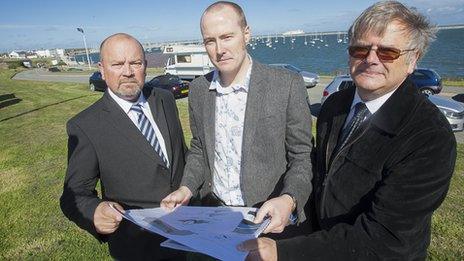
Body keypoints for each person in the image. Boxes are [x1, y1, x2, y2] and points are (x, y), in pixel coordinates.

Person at [240, 1, 456, 260]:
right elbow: (321, 174)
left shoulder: (429, 137)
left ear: (413, 60)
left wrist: (282, 252)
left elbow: (386, 239)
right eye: (360, 49)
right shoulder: (335, 106)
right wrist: (290, 200)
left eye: (387, 52)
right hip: (323, 243)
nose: (371, 59)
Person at [161, 1, 313, 236]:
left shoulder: (286, 84)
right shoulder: (199, 90)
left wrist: (289, 199)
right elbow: (200, 148)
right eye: (210, 41)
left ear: (246, 34)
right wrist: (186, 187)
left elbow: (302, 155)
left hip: (269, 218)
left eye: (227, 37)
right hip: (216, 215)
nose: (219, 49)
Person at [60, 33, 187, 260]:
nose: (128, 72)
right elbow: (73, 195)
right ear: (101, 68)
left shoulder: (165, 99)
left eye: (135, 63)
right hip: (139, 245)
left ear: (145, 65)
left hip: (188, 233)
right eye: (117, 64)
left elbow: (181, 156)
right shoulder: (86, 125)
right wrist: (95, 212)